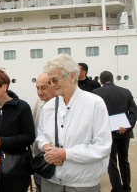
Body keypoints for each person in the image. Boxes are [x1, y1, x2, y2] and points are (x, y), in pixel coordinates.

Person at [37, 54, 112, 191]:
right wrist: (47, 147)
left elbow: (102, 147)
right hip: (51, 181)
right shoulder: (49, 107)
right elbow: (41, 135)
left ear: (72, 76)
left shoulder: (95, 104)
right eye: (50, 81)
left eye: (55, 80)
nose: (52, 85)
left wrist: (65, 154)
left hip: (82, 184)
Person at [93, 71, 137, 192]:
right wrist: (127, 126)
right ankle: (127, 187)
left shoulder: (96, 93)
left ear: (100, 81)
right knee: (124, 160)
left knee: (111, 162)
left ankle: (117, 189)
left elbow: (95, 115)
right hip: (124, 133)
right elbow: (134, 112)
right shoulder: (126, 91)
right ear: (113, 79)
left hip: (108, 133)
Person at [32, 72, 56, 192]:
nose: (39, 92)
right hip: (39, 158)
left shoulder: (61, 104)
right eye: (37, 88)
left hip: (55, 162)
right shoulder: (39, 102)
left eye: (43, 88)